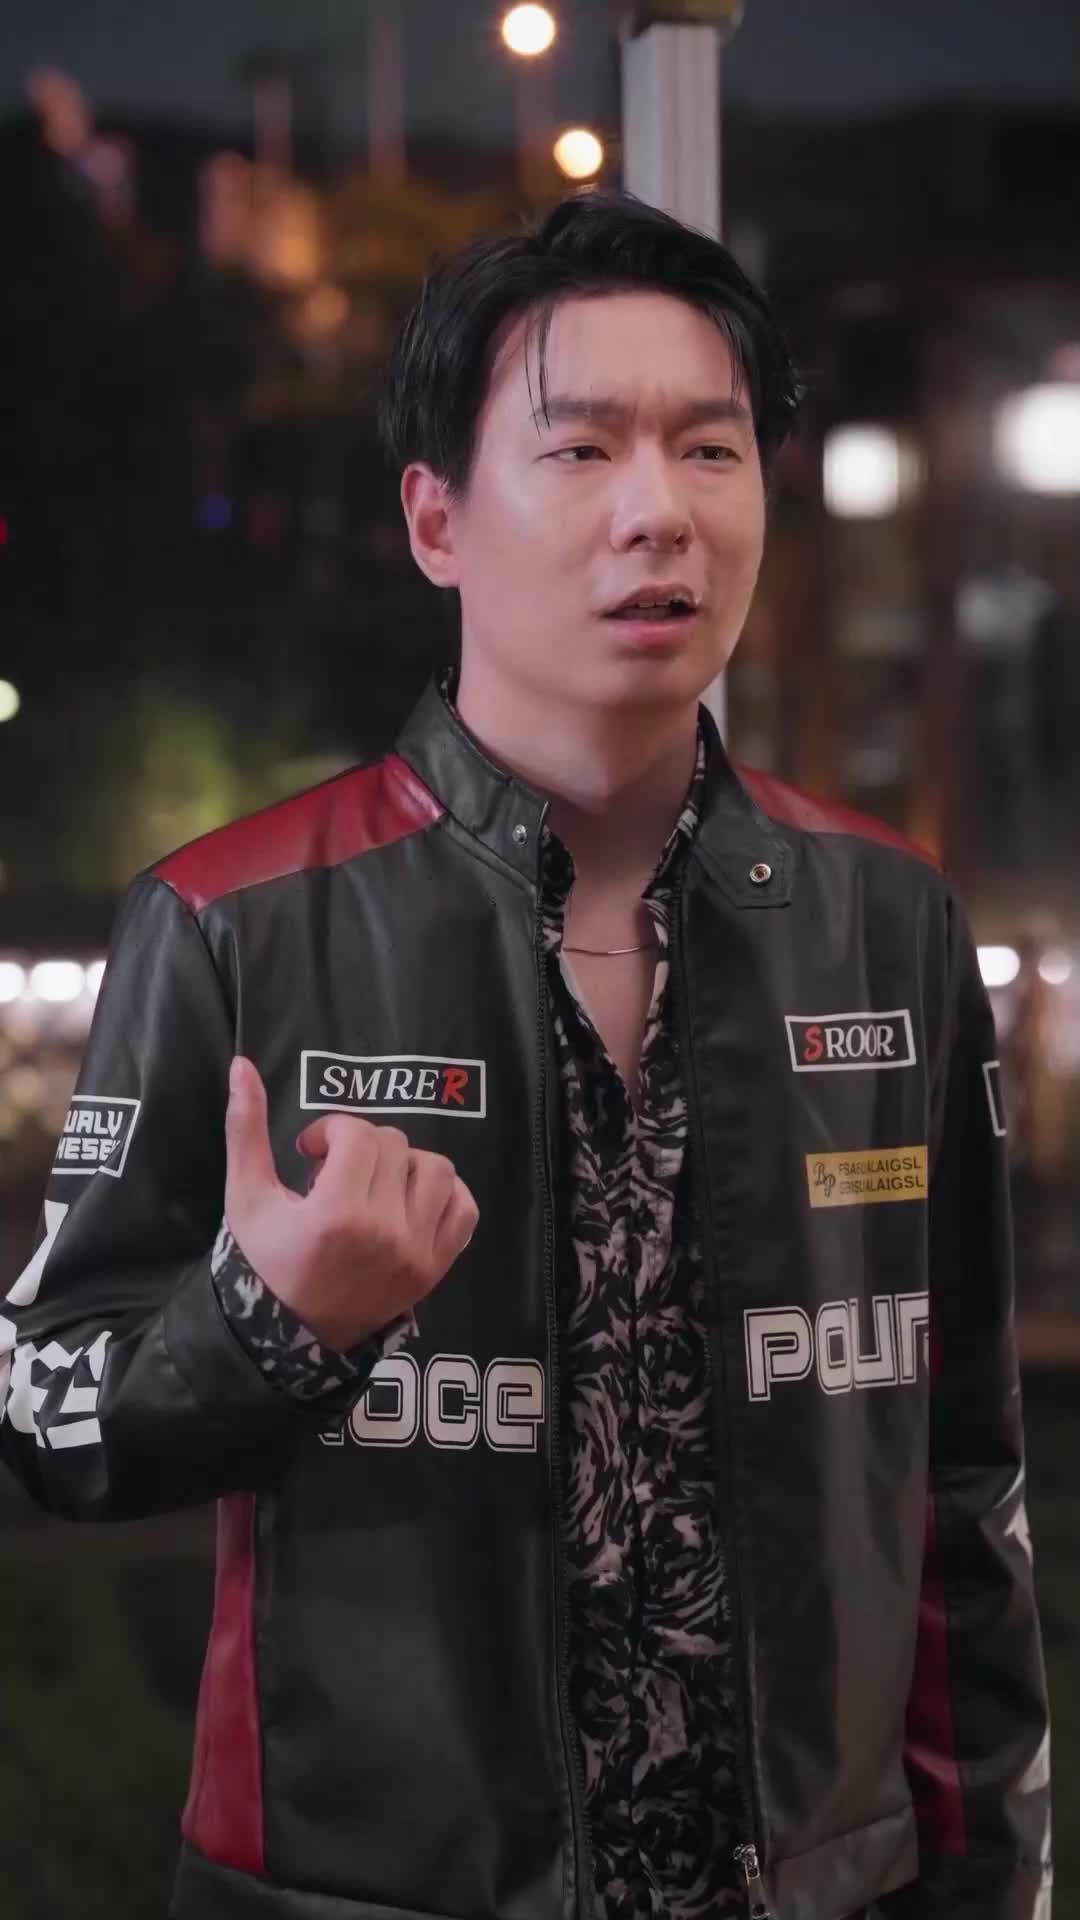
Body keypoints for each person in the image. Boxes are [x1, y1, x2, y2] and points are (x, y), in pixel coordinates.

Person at [0, 191, 1052, 1920]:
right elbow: (46, 1409)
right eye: (581, 449)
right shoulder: (233, 922)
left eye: (710, 449)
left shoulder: (886, 921)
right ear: (437, 519)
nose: (660, 511)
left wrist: (991, 1881)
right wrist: (271, 1324)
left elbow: (961, 1486)